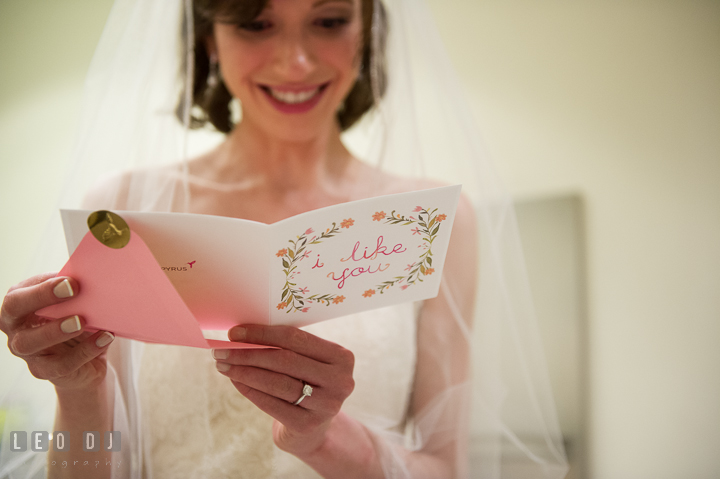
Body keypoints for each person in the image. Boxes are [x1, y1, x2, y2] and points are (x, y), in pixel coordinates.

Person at [0, 0, 568, 478]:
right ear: (210, 38)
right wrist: (76, 391)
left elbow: (446, 467)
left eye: (328, 20)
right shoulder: (125, 206)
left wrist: (326, 437)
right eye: (256, 22)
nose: (295, 62)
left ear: (367, 30)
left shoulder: (431, 222)